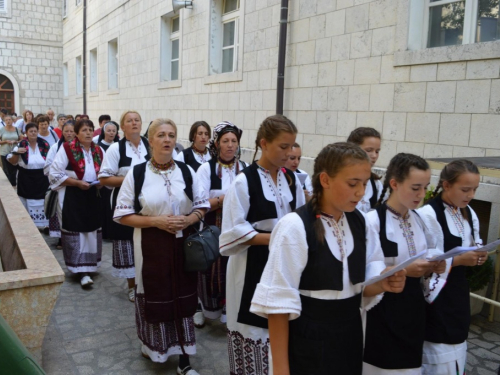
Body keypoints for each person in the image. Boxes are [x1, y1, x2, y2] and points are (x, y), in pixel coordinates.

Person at [250, 142, 407, 375]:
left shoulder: (361, 223)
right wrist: (281, 371)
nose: (361, 192)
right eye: (353, 183)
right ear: (325, 180)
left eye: (364, 184)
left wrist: (382, 283)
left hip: (350, 337)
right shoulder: (294, 227)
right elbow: (278, 305)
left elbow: (360, 286)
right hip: (308, 340)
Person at [113, 118, 209, 374]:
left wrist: (189, 218)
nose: (167, 140)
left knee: (184, 293)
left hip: (183, 246)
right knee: (157, 292)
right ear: (151, 140)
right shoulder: (137, 173)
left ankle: (185, 360)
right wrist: (156, 221)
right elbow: (121, 214)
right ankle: (156, 348)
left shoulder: (187, 171)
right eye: (161, 135)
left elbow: (202, 205)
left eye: (171, 135)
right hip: (150, 245)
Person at [219, 115, 306, 375]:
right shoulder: (243, 181)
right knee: (254, 329)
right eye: (283, 146)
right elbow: (233, 231)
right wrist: (277, 239)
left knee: (281, 327)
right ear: (264, 144)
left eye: (292, 146)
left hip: (285, 265)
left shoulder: (291, 179)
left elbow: (300, 217)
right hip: (250, 266)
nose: (289, 153)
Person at [363, 153, 446, 374]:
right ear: (394, 184)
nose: (421, 194)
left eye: (425, 187)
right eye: (415, 187)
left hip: (413, 309)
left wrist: (433, 266)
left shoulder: (419, 219)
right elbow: (362, 274)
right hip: (382, 309)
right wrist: (404, 270)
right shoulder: (372, 221)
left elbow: (428, 252)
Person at [418, 160, 487, 375]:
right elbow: (423, 261)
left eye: (474, 190)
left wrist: (479, 256)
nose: (470, 195)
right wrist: (458, 261)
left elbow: (475, 243)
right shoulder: (428, 214)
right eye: (465, 189)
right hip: (434, 295)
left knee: (457, 343)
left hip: (457, 290)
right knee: (437, 348)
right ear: (446, 185)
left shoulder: (468, 213)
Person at [195, 121, 247, 328]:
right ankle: (201, 307)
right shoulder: (205, 169)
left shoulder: (244, 169)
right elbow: (198, 202)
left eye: (234, 141)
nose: (230, 145)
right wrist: (222, 200)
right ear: (216, 144)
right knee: (208, 267)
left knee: (231, 268)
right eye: (225, 141)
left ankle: (229, 310)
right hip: (211, 227)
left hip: (235, 227)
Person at [99, 111, 150, 302]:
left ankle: (147, 283)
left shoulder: (150, 145)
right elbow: (104, 178)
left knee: (147, 242)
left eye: (137, 120)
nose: (134, 123)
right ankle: (132, 286)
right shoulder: (115, 149)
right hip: (125, 204)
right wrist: (131, 180)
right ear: (123, 126)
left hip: (149, 205)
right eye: (129, 120)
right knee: (127, 244)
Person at [48, 119, 104, 288]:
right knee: (76, 231)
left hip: (92, 196)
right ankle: (80, 270)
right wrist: (76, 183)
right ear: (77, 134)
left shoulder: (98, 150)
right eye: (84, 130)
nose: (88, 133)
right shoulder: (67, 149)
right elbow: (54, 173)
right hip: (72, 195)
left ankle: (89, 266)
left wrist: (102, 181)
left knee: (91, 231)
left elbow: (105, 171)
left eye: (90, 130)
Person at [7, 122, 50, 229]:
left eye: (35, 131)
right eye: (31, 131)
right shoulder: (21, 144)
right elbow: (12, 162)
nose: (33, 133)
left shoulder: (44, 144)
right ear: (26, 133)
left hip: (41, 178)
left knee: (41, 200)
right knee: (27, 201)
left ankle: (44, 225)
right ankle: (29, 225)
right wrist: (16, 153)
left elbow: (50, 160)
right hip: (26, 178)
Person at [44, 120, 76, 248]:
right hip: (60, 186)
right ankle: (61, 239)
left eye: (72, 131)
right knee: (59, 214)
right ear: (62, 132)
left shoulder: (81, 147)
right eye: (66, 131)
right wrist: (61, 175)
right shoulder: (56, 147)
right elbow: (47, 167)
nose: (69, 134)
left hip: (76, 188)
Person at [347, 127, 383, 213]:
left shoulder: (376, 184)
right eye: (369, 150)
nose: (374, 155)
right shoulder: (340, 179)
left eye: (377, 151)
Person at [95, 121, 119, 240]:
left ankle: (112, 232)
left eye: (113, 131)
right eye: (109, 130)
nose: (111, 133)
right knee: (105, 208)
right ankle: (105, 232)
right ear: (104, 131)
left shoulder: (119, 146)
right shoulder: (99, 146)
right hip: (104, 183)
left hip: (117, 182)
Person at [0, 115, 22, 185]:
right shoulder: (2, 129)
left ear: (12, 121)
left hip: (14, 152)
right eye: (6, 120)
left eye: (9, 119)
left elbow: (21, 139)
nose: (8, 121)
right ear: (4, 121)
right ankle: (8, 186)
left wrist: (16, 142)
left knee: (14, 169)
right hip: (4, 151)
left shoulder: (16, 129)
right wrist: (6, 141)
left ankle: (13, 184)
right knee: (6, 170)